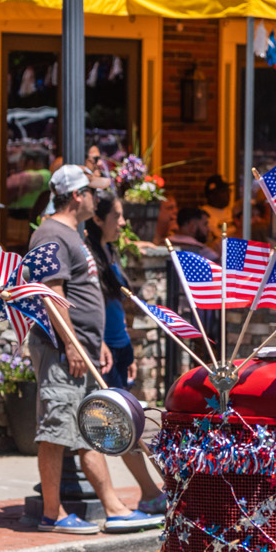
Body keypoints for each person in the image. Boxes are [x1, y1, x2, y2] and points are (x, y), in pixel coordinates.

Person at [28, 165, 161, 534]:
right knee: (55, 430)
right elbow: (53, 296)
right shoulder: (51, 234)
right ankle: (51, 515)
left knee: (88, 429)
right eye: (91, 191)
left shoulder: (73, 234)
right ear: (76, 196)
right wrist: (71, 344)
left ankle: (114, 507)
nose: (96, 198)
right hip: (60, 349)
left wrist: (94, 340)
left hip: (81, 348)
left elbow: (83, 296)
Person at [85, 187, 166, 516]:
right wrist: (100, 343)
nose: (122, 222)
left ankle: (151, 492)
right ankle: (148, 493)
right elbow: (89, 309)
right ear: (98, 218)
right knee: (119, 426)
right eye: (116, 216)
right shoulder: (88, 257)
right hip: (102, 354)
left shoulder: (108, 252)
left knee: (130, 425)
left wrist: (129, 351)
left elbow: (119, 309)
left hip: (119, 351)